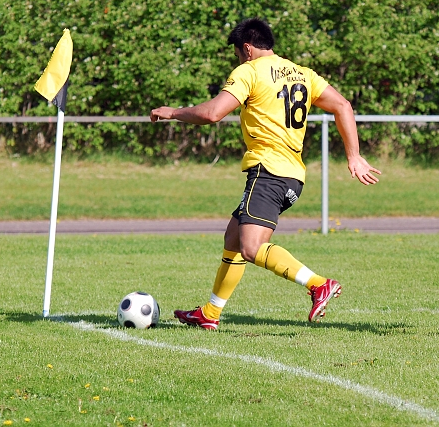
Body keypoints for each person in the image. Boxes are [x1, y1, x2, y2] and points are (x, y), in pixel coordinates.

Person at [150, 18, 381, 330]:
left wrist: (173, 112)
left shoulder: (249, 71)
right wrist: (353, 156)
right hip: (292, 174)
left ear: (246, 48)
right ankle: (210, 313)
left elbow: (213, 113)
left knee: (250, 246)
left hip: (268, 171)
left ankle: (318, 284)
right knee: (233, 238)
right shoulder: (302, 73)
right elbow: (343, 105)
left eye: (236, 53)